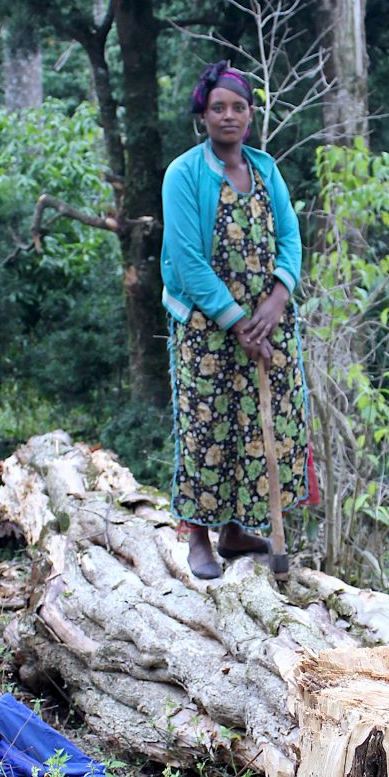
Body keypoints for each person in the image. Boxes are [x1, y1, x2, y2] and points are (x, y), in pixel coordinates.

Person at [160, 61, 309, 579]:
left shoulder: (265, 169)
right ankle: (198, 536)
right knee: (208, 424)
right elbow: (185, 259)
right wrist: (238, 323)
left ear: (250, 115)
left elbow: (290, 237)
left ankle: (235, 531)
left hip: (268, 325)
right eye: (218, 106)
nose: (228, 116)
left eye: (238, 107)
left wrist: (275, 301)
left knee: (260, 423)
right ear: (202, 112)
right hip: (207, 328)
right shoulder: (184, 173)